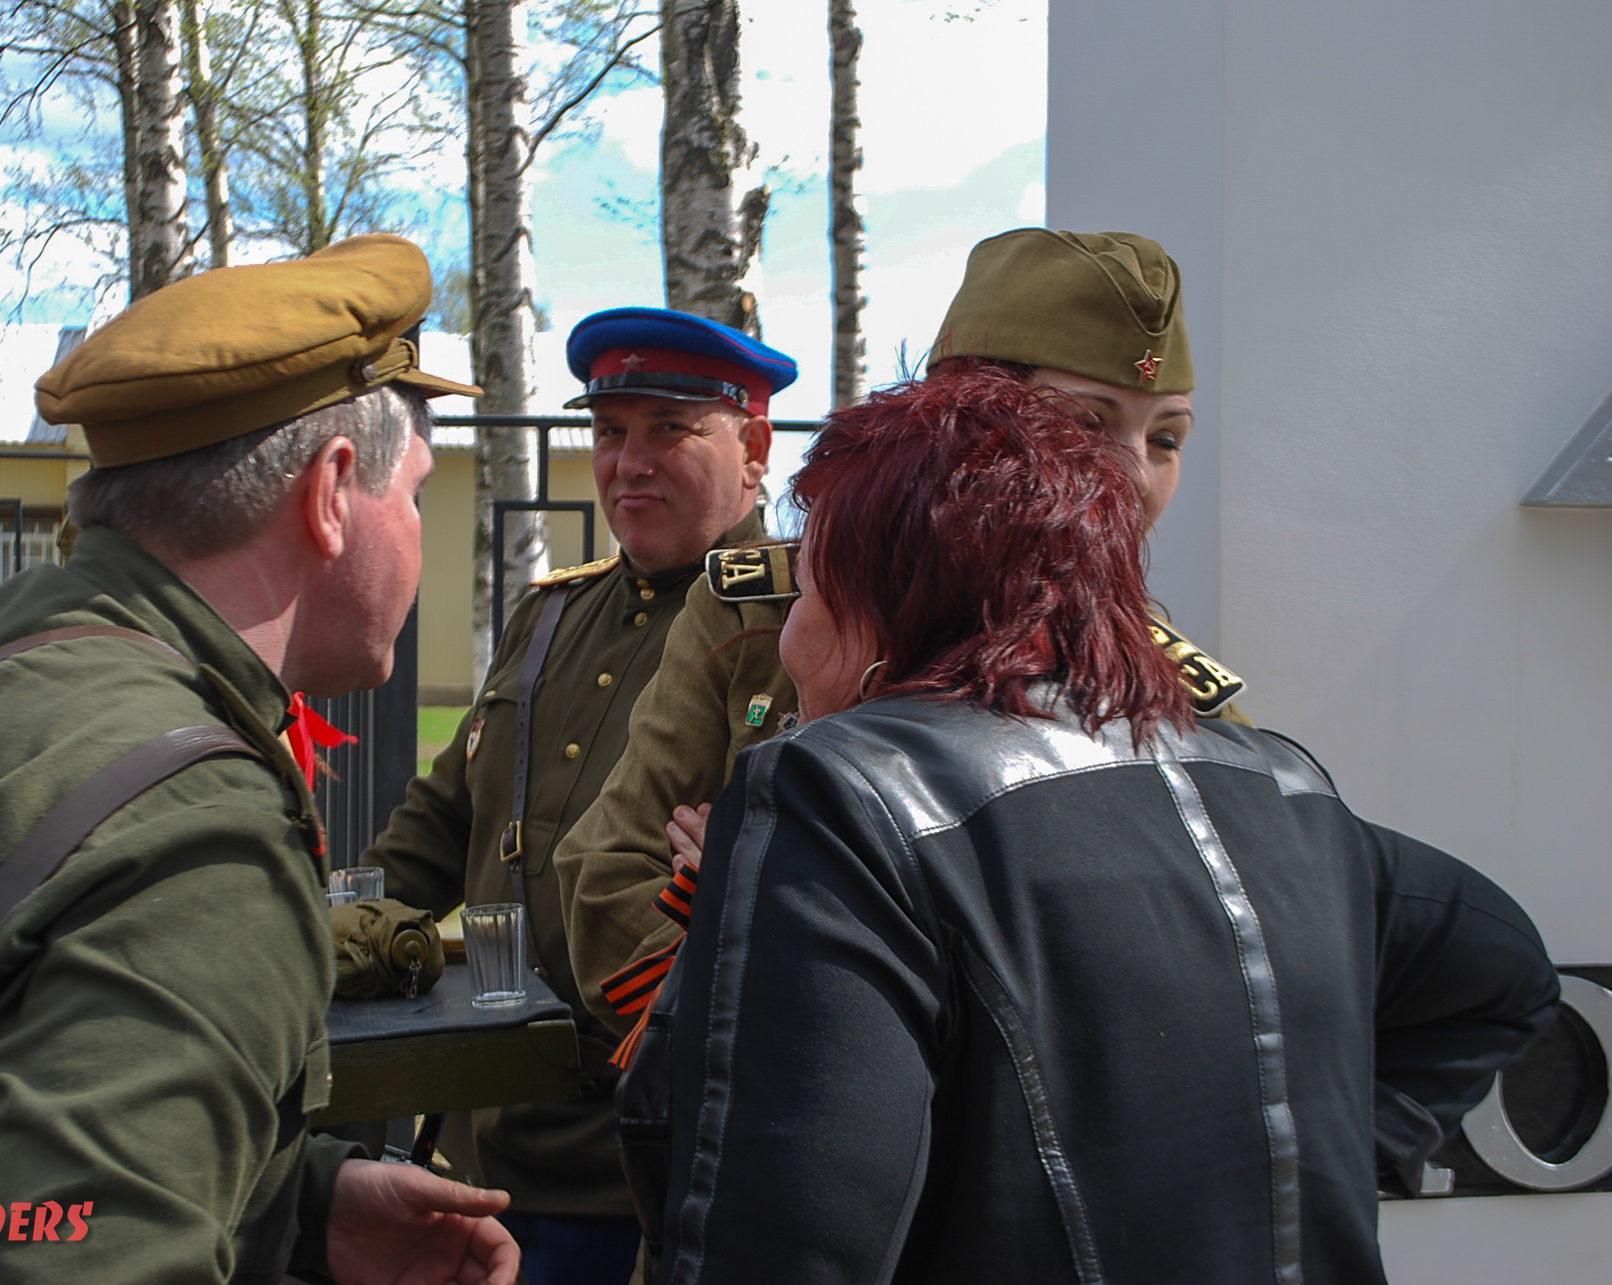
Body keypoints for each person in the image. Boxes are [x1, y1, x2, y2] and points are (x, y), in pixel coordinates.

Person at [0, 235, 519, 1285]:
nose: (417, 530)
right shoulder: (200, 840)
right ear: (332, 490)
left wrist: (296, 1207)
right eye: (417, 493)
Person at [622, 365, 1560, 1283]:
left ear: (875, 605)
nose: (788, 633)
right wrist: (1319, 1167)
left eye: (808, 590)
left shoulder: (844, 793)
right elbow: (1505, 964)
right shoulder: (1281, 783)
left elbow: (783, 1234)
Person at [557, 228, 1244, 1042]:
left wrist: (762, 895)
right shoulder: (759, 611)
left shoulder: (1172, 689)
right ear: (959, 424)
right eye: (1085, 426)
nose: (1132, 476)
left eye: (1166, 438)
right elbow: (605, 881)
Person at [361, 307, 795, 1285]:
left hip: (647, 1160)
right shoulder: (552, 615)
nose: (629, 462)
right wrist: (333, 937)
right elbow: (444, 822)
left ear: (756, 447)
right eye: (609, 431)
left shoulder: (789, 628)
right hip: (490, 1140)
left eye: (670, 429)